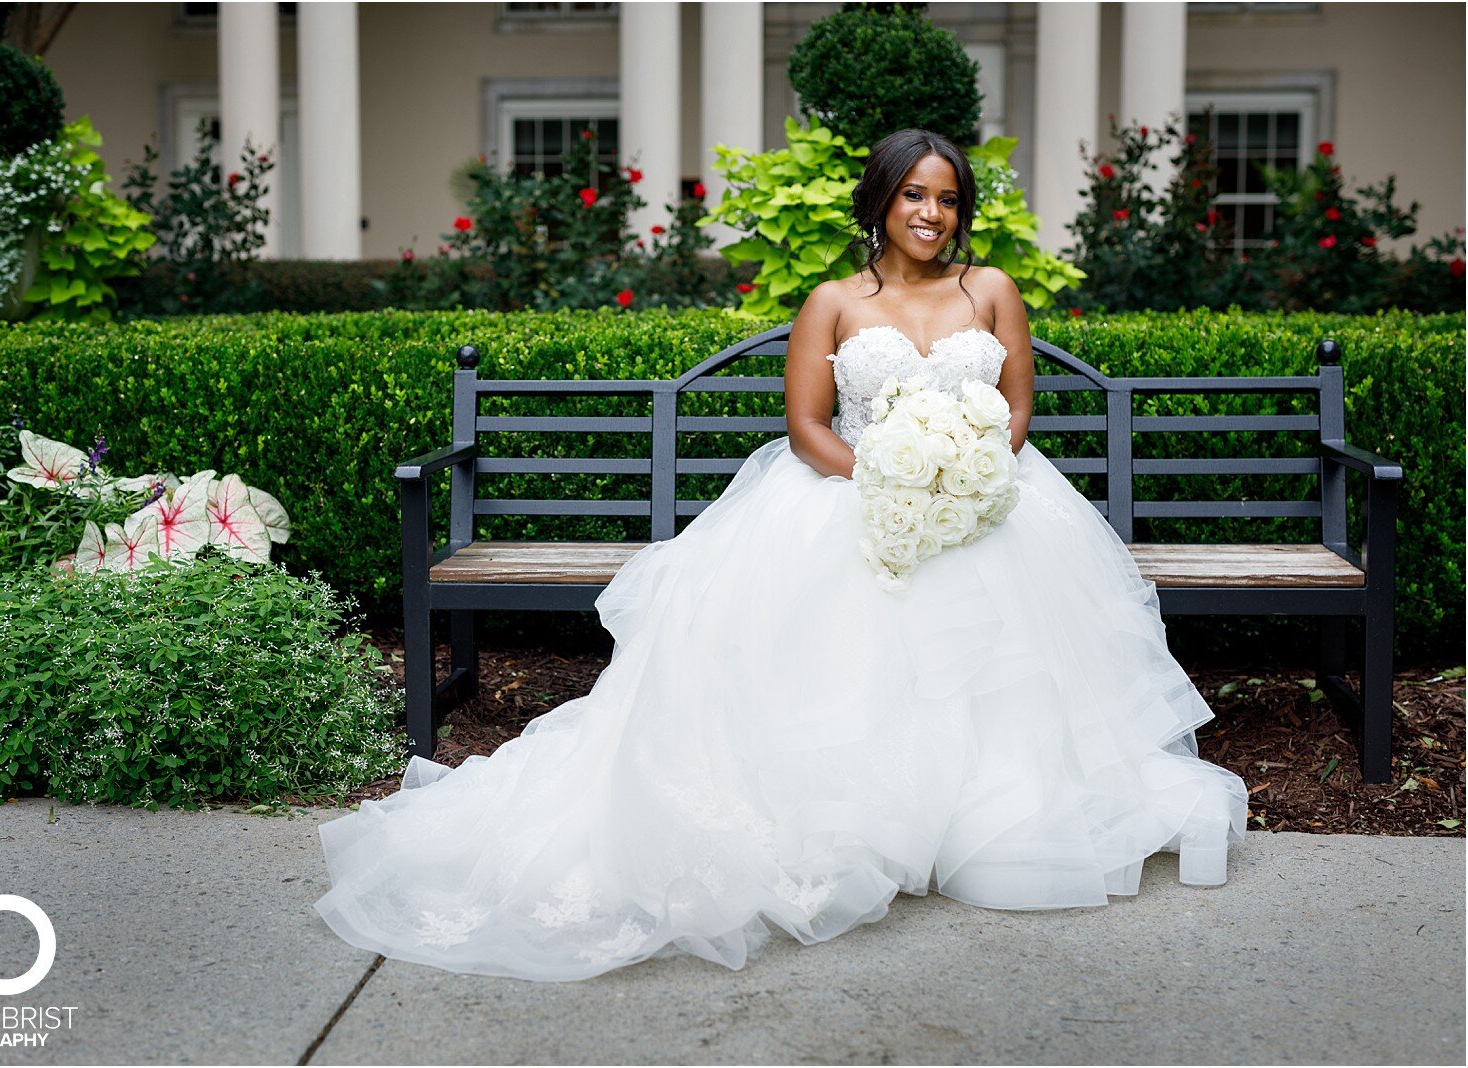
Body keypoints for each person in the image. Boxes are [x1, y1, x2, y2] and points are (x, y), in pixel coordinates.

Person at [315, 128, 1249, 982]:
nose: (933, 214)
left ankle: (981, 820)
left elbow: (1014, 413)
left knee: (1004, 653)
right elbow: (806, 429)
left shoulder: (992, 291)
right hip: (846, 497)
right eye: (915, 196)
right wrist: (891, 490)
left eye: (949, 199)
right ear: (881, 202)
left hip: (988, 503)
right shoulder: (835, 301)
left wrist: (964, 485)